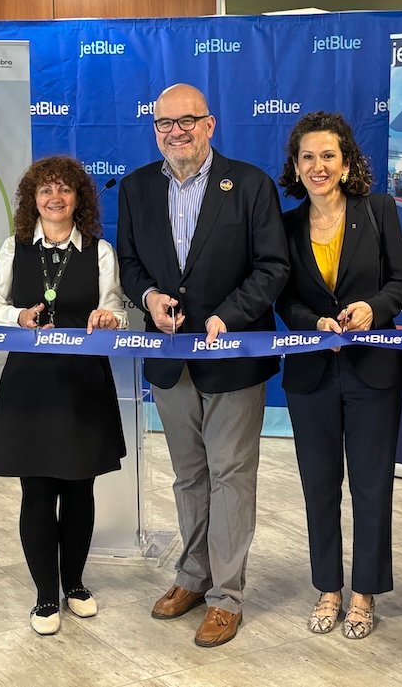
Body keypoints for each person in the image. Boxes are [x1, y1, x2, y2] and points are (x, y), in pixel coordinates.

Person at [116, 83, 289, 647]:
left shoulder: (251, 184)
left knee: (230, 476)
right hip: (170, 359)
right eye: (164, 123)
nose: (176, 132)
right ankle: (193, 576)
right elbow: (130, 263)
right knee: (189, 475)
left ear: (209, 125)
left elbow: (272, 267)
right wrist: (149, 300)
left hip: (232, 357)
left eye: (187, 121)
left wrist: (227, 317)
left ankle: (227, 597)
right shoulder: (137, 187)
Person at [274, 111, 402, 639]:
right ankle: (328, 589)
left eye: (328, 155)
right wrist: (314, 323)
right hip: (311, 374)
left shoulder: (379, 210)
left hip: (373, 372)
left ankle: (364, 593)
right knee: (319, 487)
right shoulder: (286, 225)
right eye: (307, 157)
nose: (318, 166)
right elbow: (284, 299)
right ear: (296, 166)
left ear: (347, 162)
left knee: (372, 488)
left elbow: (400, 281)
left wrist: (374, 309)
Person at [0, 155, 127, 636]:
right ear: (33, 200)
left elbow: (116, 308)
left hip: (83, 383)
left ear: (78, 198)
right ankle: (45, 595)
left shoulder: (100, 251)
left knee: (80, 489)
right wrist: (17, 317)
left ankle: (75, 584)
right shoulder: (14, 247)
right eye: (46, 190)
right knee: (37, 492)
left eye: (65, 189)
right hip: (30, 385)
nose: (55, 198)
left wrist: (109, 318)